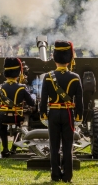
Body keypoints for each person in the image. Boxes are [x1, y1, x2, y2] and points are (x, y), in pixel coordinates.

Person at [39, 40, 83, 183]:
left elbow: (43, 99)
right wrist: (79, 116)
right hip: (68, 114)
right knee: (68, 146)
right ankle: (67, 176)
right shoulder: (75, 77)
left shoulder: (48, 76)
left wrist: (43, 115)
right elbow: (79, 101)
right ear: (70, 57)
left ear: (54, 57)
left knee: (54, 146)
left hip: (53, 113)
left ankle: (55, 175)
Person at [0, 57, 35, 157]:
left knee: (2, 126)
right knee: (19, 126)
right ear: (18, 73)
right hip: (17, 115)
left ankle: (5, 149)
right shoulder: (22, 87)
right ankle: (13, 148)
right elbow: (31, 103)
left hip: (3, 116)